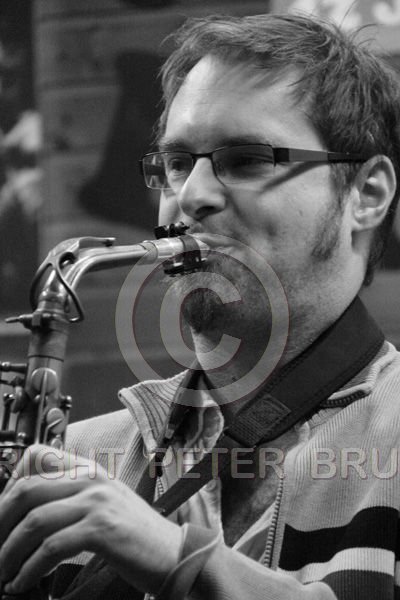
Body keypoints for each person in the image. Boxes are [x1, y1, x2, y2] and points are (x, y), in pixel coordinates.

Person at [0, 11, 400, 600]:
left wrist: (179, 561)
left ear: (367, 194)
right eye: (177, 164)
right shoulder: (77, 456)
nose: (189, 197)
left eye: (247, 160)